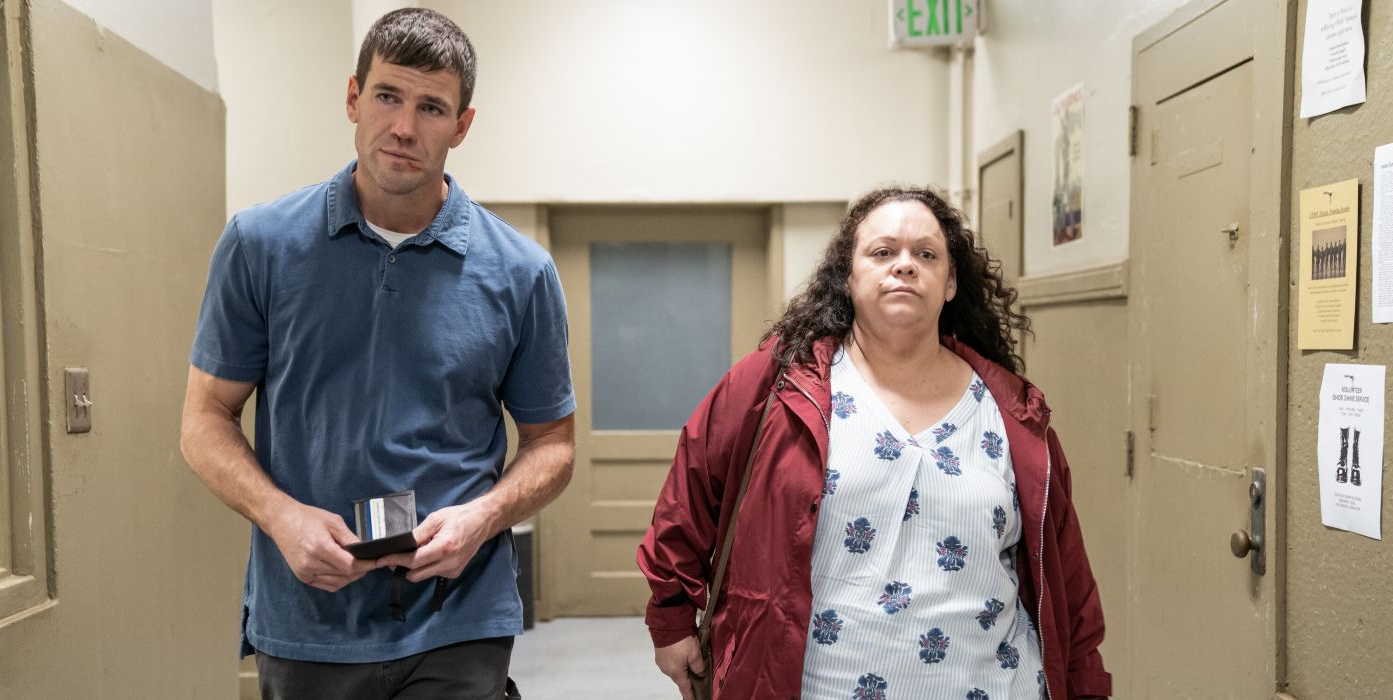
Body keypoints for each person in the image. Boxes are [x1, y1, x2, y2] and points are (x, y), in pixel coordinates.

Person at [179, 9, 575, 699]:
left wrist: (483, 518)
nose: (404, 127)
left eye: (432, 107)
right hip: (308, 620)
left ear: (462, 125)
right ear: (353, 98)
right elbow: (205, 418)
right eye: (388, 96)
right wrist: (282, 516)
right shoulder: (261, 245)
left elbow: (554, 445)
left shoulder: (520, 272)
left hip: (458, 617)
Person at [638, 187, 1111, 699]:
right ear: (848, 275)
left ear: (950, 282)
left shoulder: (1012, 414)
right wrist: (672, 619)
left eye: (926, 254)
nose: (904, 266)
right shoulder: (777, 385)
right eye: (883, 252)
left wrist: (1086, 683)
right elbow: (687, 500)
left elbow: (1068, 578)